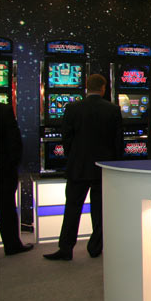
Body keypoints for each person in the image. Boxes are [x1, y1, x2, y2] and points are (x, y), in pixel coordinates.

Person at [44, 74, 123, 261]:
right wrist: (115, 165)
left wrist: (73, 156)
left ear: (86, 87)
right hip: (103, 168)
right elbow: (117, 142)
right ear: (103, 88)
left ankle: (66, 249)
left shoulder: (73, 108)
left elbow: (66, 138)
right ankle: (95, 247)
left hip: (78, 167)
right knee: (100, 211)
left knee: (72, 208)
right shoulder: (113, 109)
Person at [0, 102, 33, 256]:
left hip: (3, 169)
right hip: (2, 170)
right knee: (6, 209)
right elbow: (14, 141)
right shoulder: (3, 110)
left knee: (6, 209)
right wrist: (12, 165)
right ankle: (12, 246)